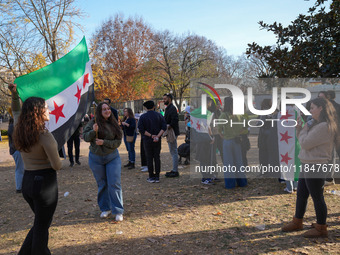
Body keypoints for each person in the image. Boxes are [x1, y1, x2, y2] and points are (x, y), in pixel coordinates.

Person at [9, 83, 62, 255]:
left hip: (27, 183)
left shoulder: (19, 130)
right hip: (45, 185)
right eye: (46, 108)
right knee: (41, 227)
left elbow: (16, 112)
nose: (49, 111)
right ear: (38, 112)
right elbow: (57, 165)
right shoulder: (45, 136)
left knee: (40, 223)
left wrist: (14, 94)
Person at [282, 97, 338, 238]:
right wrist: (300, 129)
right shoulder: (317, 124)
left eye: (312, 107)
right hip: (307, 163)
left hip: (316, 165)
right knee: (301, 195)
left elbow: (305, 143)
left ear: (321, 108)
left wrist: (304, 129)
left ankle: (321, 227)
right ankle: (298, 221)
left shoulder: (324, 126)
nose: (310, 110)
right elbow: (303, 140)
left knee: (317, 197)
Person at [83, 102, 124, 221]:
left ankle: (118, 210)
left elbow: (118, 142)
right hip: (96, 159)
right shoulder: (93, 122)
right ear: (99, 112)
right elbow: (85, 137)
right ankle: (105, 208)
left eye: (108, 109)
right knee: (102, 184)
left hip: (112, 158)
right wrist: (93, 131)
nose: (107, 111)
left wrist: (104, 142)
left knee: (114, 183)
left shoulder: (114, 123)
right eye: (104, 109)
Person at [218, 97, 247, 189]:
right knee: (239, 162)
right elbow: (245, 127)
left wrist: (223, 136)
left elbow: (219, 129)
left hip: (227, 141)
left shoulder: (223, 115)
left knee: (228, 164)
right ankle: (242, 182)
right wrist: (238, 133)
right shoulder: (239, 115)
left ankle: (230, 184)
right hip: (237, 140)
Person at [138, 100, 166, 183]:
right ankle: (157, 176)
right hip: (157, 139)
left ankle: (151, 176)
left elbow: (141, 129)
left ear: (146, 108)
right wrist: (157, 136)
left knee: (149, 157)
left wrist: (151, 135)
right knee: (157, 157)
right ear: (154, 107)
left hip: (147, 139)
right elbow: (164, 127)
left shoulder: (143, 117)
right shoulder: (159, 116)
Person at [163, 93, 180, 178]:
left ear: (170, 99)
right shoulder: (168, 108)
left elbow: (174, 120)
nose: (164, 100)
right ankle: (174, 169)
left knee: (173, 151)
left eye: (165, 99)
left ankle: (175, 170)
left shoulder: (172, 108)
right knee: (173, 151)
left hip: (172, 132)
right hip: (170, 131)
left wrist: (168, 126)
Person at [8, 116, 25, 193]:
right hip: (17, 150)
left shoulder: (12, 126)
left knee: (20, 169)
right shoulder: (13, 127)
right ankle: (19, 187)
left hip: (16, 150)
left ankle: (20, 186)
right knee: (19, 169)